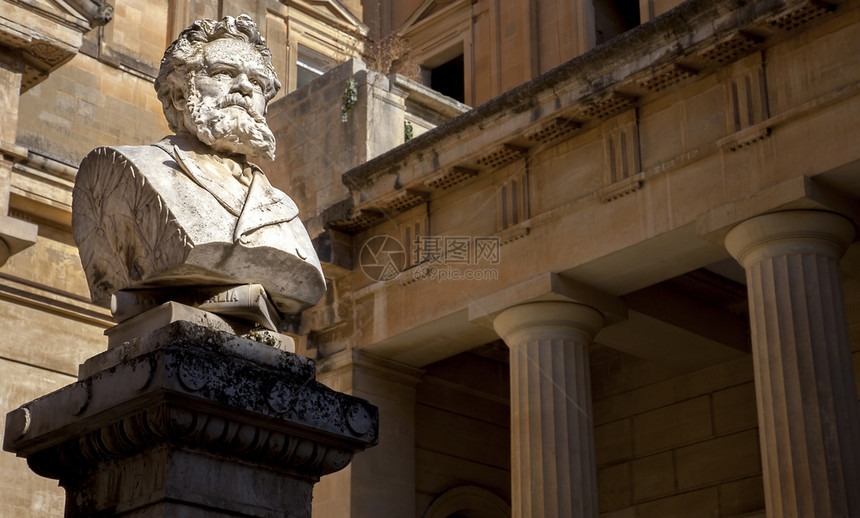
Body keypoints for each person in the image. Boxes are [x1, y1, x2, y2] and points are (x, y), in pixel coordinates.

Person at [72, 15, 325, 321]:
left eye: (257, 83)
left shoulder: (285, 208)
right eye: (223, 73)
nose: (244, 88)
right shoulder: (120, 172)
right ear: (180, 94)